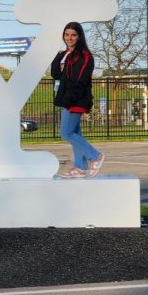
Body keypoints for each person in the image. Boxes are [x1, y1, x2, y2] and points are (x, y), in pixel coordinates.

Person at [51, 22, 104, 179]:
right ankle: (80, 168)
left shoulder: (84, 56)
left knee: (66, 133)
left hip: (76, 99)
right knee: (75, 133)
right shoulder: (66, 54)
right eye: (67, 34)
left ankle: (95, 156)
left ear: (79, 36)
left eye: (73, 35)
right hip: (66, 98)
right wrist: (58, 56)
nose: (69, 38)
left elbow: (79, 81)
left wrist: (68, 99)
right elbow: (56, 75)